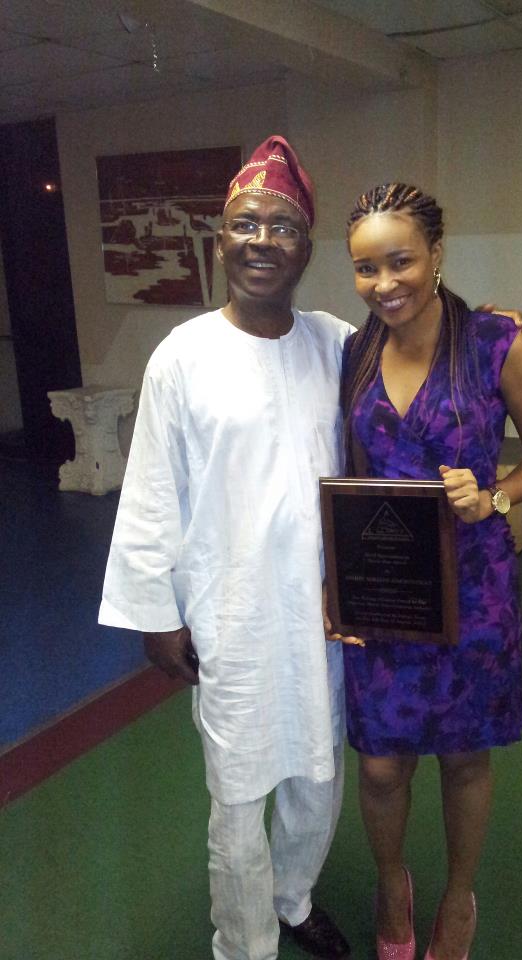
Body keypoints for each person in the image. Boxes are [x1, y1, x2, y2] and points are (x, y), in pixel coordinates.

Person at [99, 137, 353, 960]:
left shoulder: (337, 344)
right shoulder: (182, 356)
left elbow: (418, 367)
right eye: (245, 224)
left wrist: (493, 337)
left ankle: (293, 898)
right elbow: (150, 492)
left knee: (318, 770)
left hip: (324, 611)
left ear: (305, 248)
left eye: (283, 227)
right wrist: (155, 613)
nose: (261, 241)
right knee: (238, 794)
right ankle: (244, 943)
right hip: (230, 613)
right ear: (219, 240)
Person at [337, 183, 522, 960]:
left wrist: (494, 495)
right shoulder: (355, 353)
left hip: (473, 586)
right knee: (380, 764)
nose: (384, 283)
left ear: (436, 254)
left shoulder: (498, 344)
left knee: (465, 756)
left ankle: (459, 894)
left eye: (400, 261)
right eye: (365, 268)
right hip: (385, 585)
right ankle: (391, 881)